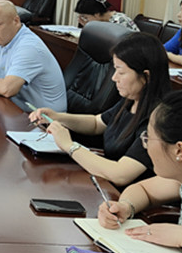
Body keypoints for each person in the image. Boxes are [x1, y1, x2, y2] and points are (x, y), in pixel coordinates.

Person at [29, 32, 170, 186]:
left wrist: (69, 146)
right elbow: (97, 123)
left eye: (121, 72)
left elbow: (121, 174)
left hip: (122, 194)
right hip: (102, 182)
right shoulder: (132, 100)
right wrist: (58, 117)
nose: (114, 78)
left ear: (146, 76)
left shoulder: (159, 119)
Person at [97, 89, 182, 253]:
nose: (146, 145)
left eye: (149, 137)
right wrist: (125, 206)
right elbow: (144, 190)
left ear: (179, 150)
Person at [0, 0, 67, 111]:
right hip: (15, 107)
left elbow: (7, 89)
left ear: (16, 21)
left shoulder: (29, 47)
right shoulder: (0, 41)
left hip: (44, 117)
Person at [74, 0, 138, 31]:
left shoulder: (119, 21)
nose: (86, 20)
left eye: (86, 18)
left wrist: (89, 27)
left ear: (97, 14)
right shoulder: (104, 21)